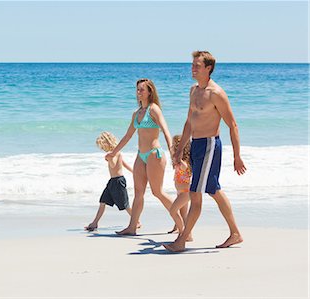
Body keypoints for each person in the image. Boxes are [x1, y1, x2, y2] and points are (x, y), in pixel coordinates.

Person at [164, 51, 247, 252]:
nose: (193, 68)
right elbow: (189, 122)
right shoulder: (193, 90)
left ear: (208, 68)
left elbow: (233, 125)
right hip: (196, 145)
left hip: (210, 146)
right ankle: (235, 233)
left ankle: (182, 240)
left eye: (197, 66)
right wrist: (180, 148)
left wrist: (237, 156)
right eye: (192, 65)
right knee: (213, 190)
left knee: (195, 193)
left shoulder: (215, 93)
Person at [106, 78, 181, 236]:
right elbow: (128, 136)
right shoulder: (136, 113)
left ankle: (181, 222)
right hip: (141, 155)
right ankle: (132, 227)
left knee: (157, 192)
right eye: (137, 89)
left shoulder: (154, 109)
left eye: (142, 89)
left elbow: (166, 131)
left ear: (149, 92)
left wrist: (173, 153)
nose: (139, 92)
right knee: (138, 192)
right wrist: (114, 152)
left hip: (155, 154)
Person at [85, 131, 136, 231]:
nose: (103, 149)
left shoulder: (114, 153)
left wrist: (109, 158)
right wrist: (134, 172)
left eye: (102, 146)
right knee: (103, 201)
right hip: (112, 181)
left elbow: (113, 165)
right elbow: (124, 165)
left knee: (124, 204)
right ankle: (95, 223)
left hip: (118, 182)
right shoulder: (116, 153)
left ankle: (136, 221)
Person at [167, 135, 193, 241]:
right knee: (183, 215)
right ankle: (187, 234)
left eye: (174, 145)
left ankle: (183, 233)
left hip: (186, 192)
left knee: (173, 211)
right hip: (180, 192)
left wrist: (179, 157)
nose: (172, 147)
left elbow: (185, 168)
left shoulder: (184, 162)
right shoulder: (176, 160)